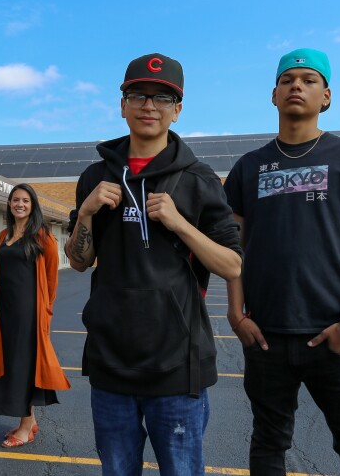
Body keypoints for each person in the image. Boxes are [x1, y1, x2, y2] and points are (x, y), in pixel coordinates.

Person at [65, 54, 242, 475]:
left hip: (177, 368)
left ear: (177, 110)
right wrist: (87, 213)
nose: (149, 106)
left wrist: (180, 223)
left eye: (162, 97)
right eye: (138, 95)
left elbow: (232, 265)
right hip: (111, 362)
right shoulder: (95, 177)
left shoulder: (199, 180)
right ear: (122, 103)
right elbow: (78, 262)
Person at [223, 48, 340, 475]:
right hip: (266, 337)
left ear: (327, 96)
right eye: (288, 79)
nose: (296, 85)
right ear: (274, 95)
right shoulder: (249, 167)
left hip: (335, 334)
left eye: (309, 79)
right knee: (268, 446)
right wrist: (235, 313)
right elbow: (234, 248)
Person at [0, 183, 71, 448]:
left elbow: (51, 278)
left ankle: (25, 427)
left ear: (33, 205)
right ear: (9, 204)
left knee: (24, 365)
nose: (19, 204)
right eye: (14, 200)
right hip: (5, 311)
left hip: (29, 313)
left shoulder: (43, 236)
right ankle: (29, 420)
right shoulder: (3, 235)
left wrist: (46, 311)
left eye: (24, 200)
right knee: (12, 363)